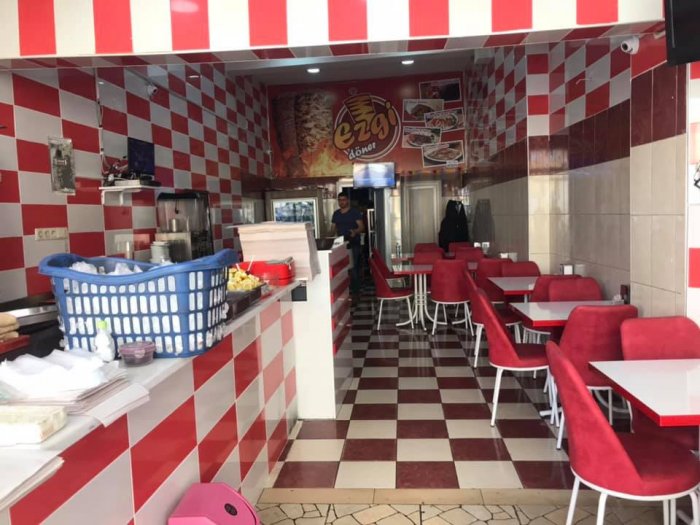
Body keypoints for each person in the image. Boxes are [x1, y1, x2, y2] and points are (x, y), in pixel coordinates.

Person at [332, 192, 364, 295]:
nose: (342, 202)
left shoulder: (354, 212)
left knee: (353, 267)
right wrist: (330, 238)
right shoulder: (336, 214)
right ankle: (345, 289)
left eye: (343, 200)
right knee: (341, 267)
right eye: (340, 200)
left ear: (348, 201)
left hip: (353, 243)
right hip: (340, 245)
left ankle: (356, 291)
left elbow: (361, 227)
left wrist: (355, 231)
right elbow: (333, 229)